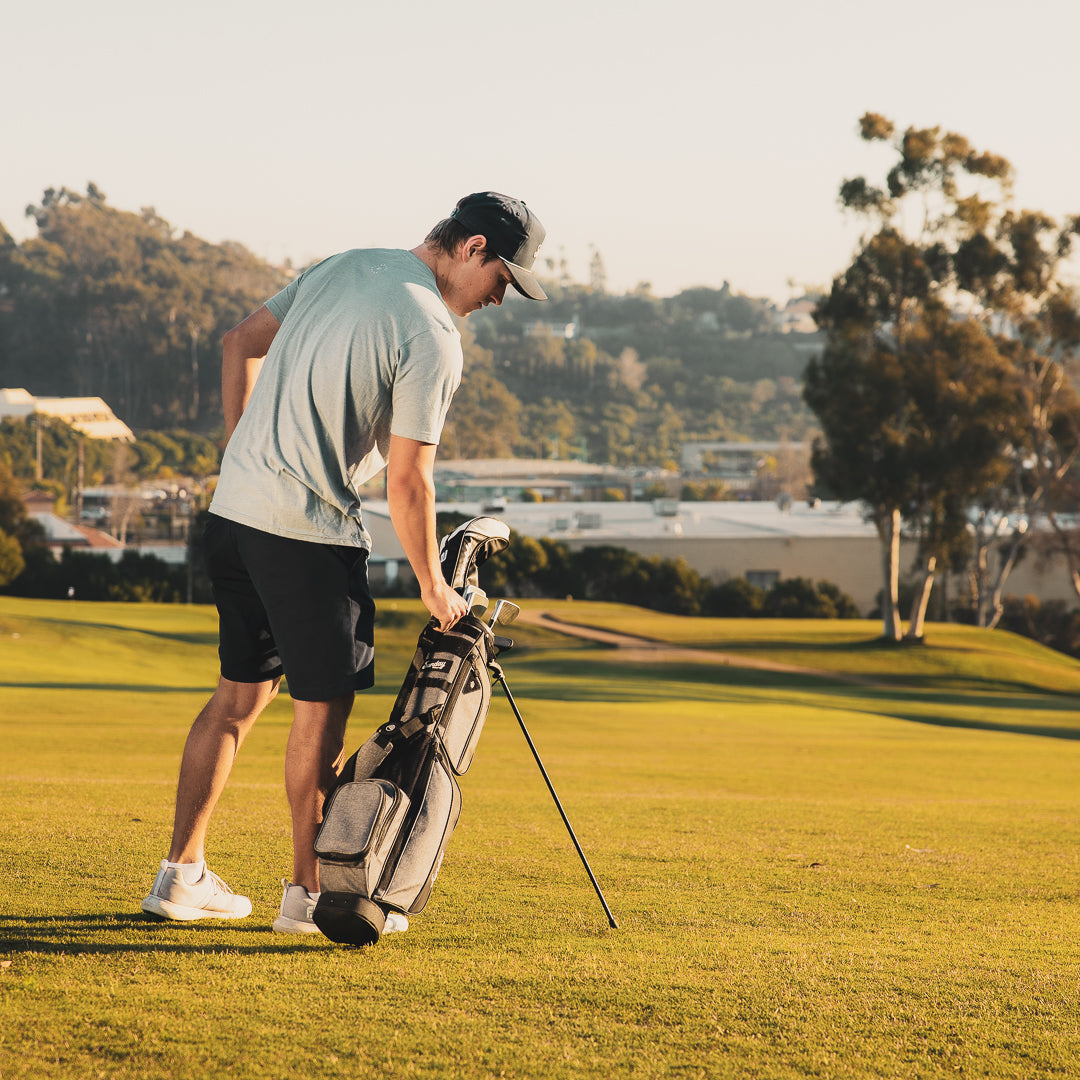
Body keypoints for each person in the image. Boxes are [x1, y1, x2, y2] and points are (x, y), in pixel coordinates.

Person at [141, 192, 547, 934]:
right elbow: (409, 479)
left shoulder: (343, 266)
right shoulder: (432, 332)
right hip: (307, 535)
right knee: (320, 718)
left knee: (237, 700)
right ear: (473, 247)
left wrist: (241, 453)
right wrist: (434, 587)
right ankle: (307, 900)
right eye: (502, 280)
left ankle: (181, 876)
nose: (498, 299)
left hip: (233, 518)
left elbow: (239, 342)